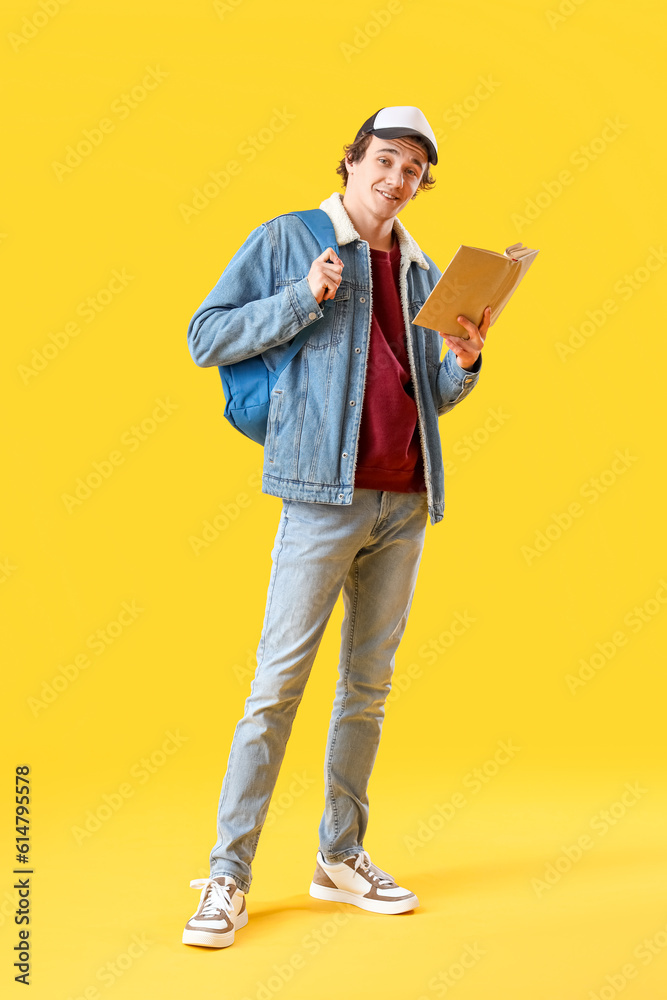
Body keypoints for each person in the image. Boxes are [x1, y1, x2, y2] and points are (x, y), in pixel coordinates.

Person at [183, 106, 489, 949]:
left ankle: (339, 857)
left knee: (367, 692)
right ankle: (227, 876)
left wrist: (462, 362)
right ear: (352, 161)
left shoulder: (422, 269)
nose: (397, 180)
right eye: (385, 161)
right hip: (322, 496)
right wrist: (299, 297)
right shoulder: (288, 240)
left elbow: (429, 394)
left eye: (413, 171)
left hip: (404, 500)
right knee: (276, 687)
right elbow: (204, 336)